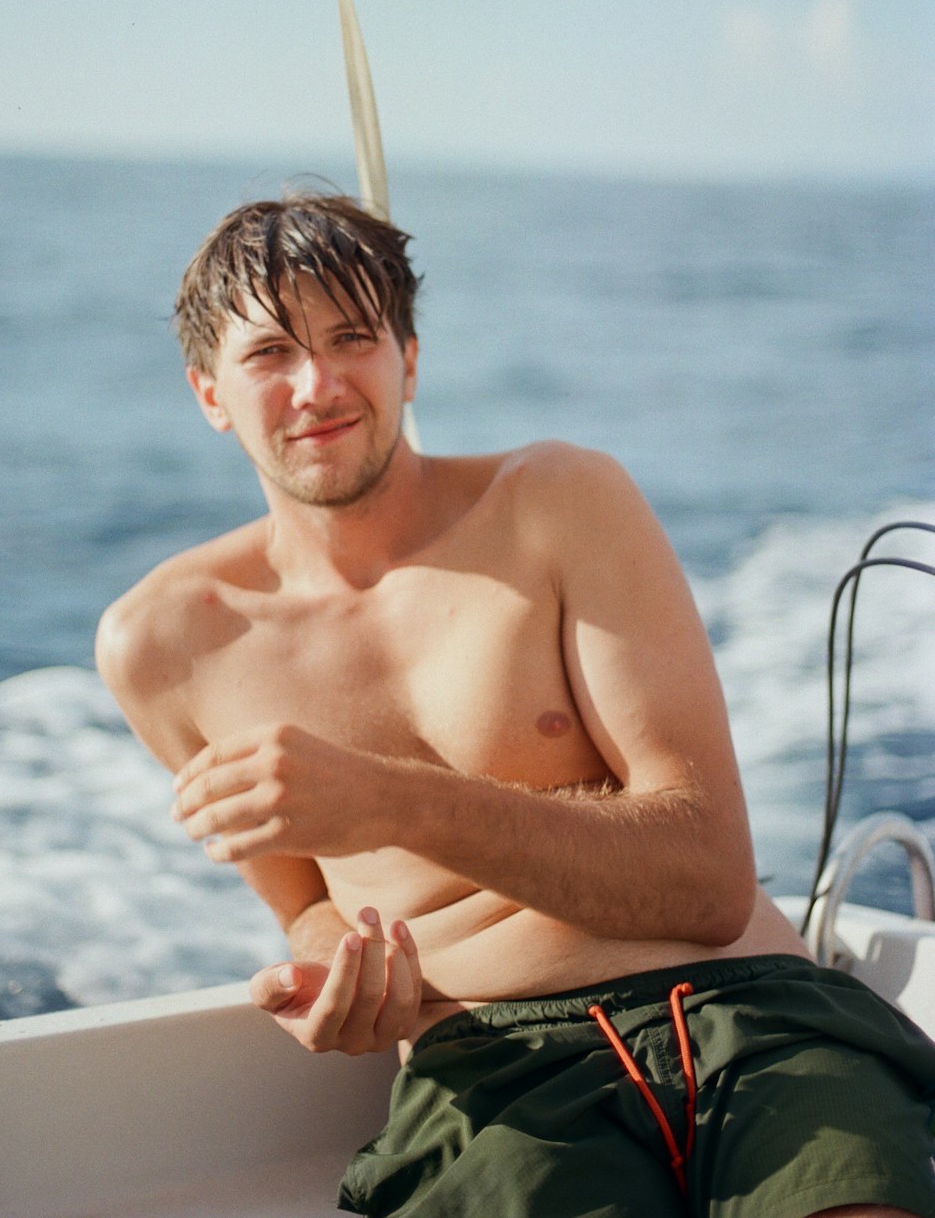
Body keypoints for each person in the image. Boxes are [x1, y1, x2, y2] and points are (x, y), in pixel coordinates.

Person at [96, 191, 935, 1218]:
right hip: (498, 1073)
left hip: (749, 1014)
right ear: (210, 394)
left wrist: (388, 802)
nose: (316, 384)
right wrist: (334, 970)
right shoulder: (164, 645)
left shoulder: (558, 500)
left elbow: (710, 877)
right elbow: (304, 901)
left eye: (352, 337)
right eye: (270, 353)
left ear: (409, 358)